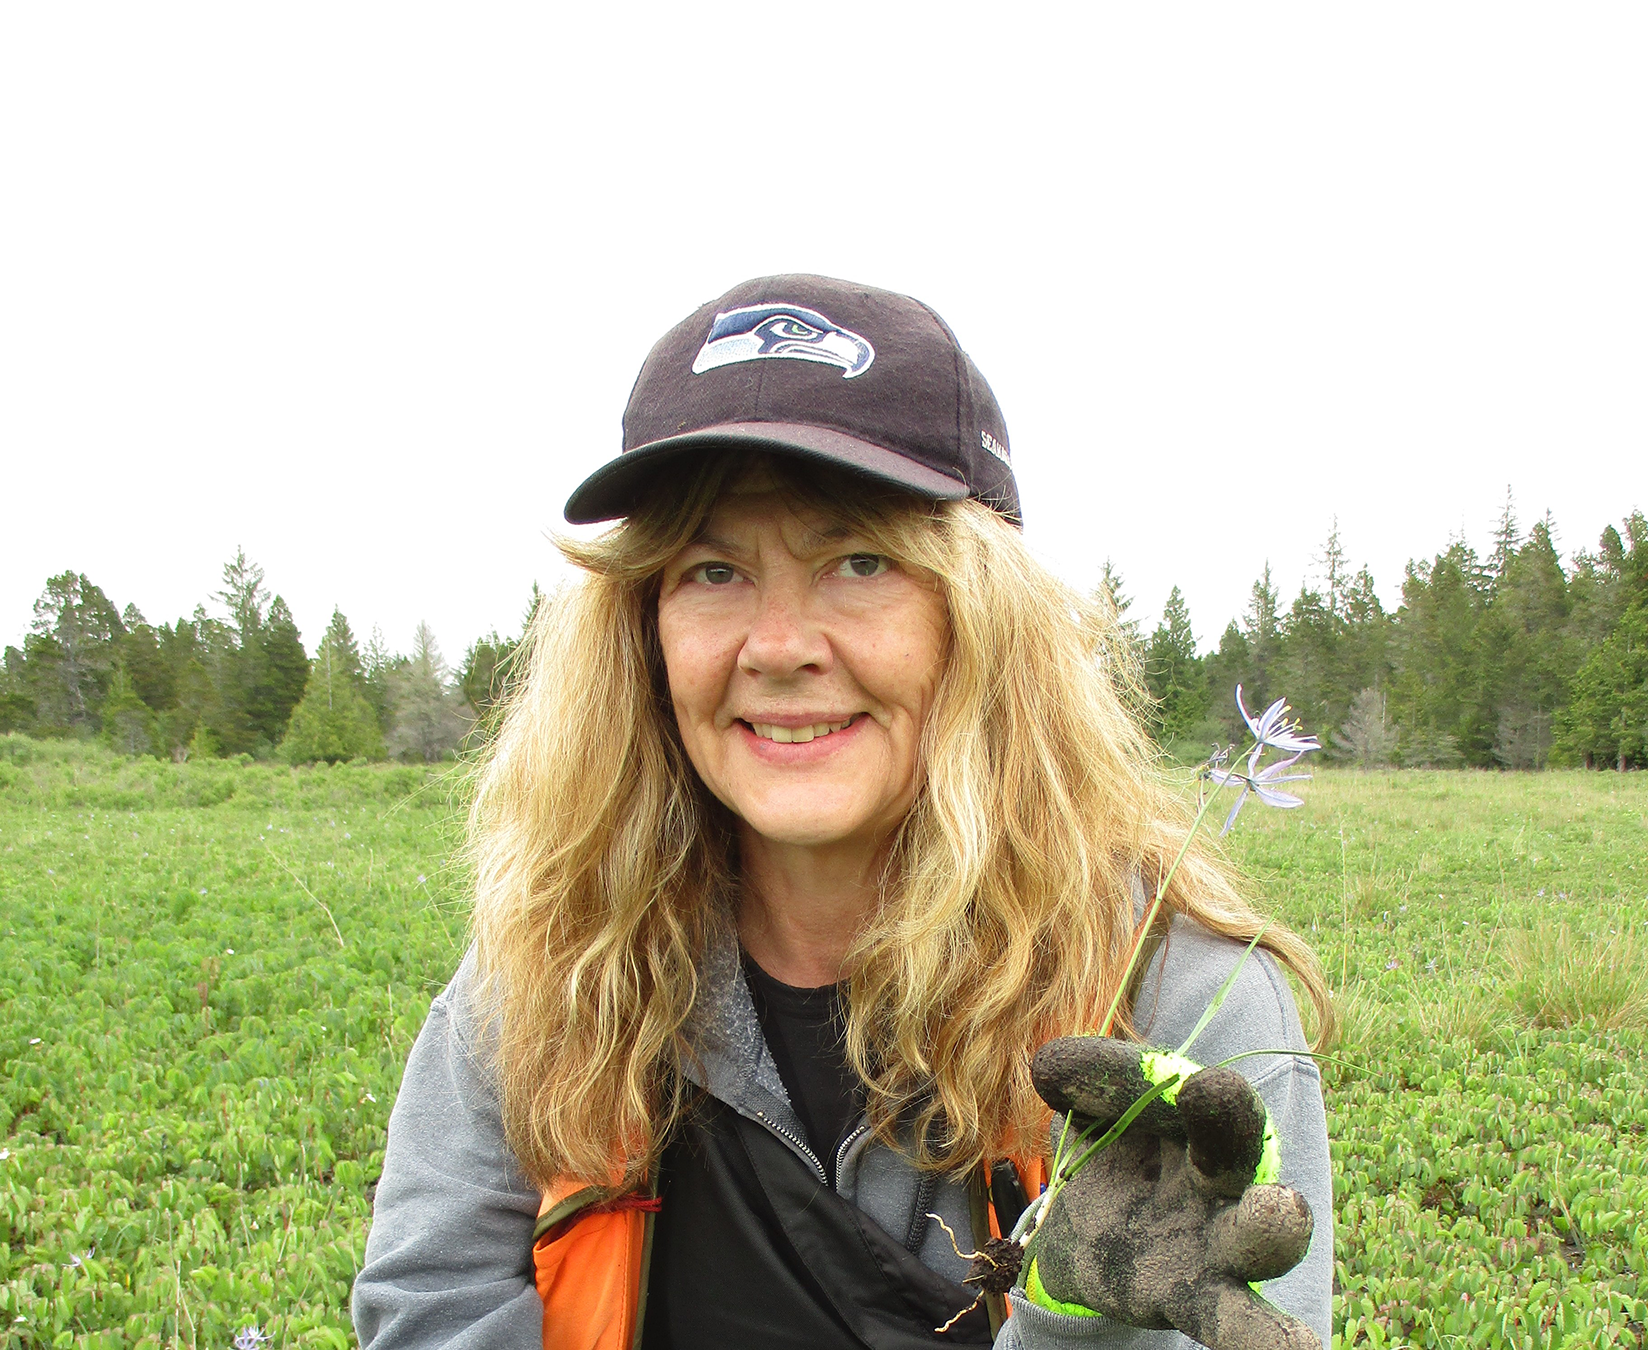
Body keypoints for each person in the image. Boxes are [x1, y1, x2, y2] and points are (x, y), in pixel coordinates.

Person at [352, 275, 1335, 1350]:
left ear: (981, 620)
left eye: (859, 563)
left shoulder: (1173, 996)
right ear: (642, 633)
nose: (778, 647)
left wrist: (1072, 1328)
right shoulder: (555, 967)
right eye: (712, 571)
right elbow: (431, 1306)